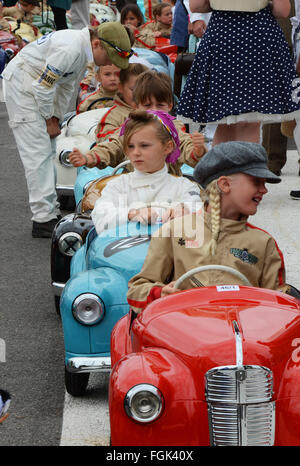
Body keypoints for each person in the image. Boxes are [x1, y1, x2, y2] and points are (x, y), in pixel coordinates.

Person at [2, 22, 133, 238]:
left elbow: (66, 86)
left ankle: (50, 209)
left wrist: (57, 117)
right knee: (37, 153)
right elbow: (43, 86)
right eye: (109, 58)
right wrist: (48, 119)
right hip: (22, 85)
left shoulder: (83, 50)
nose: (110, 63)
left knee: (50, 150)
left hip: (37, 85)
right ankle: (43, 218)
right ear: (97, 43)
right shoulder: (70, 48)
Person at [126, 141, 289, 313]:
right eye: (256, 182)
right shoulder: (174, 231)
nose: (264, 190)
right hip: (186, 332)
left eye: (264, 183)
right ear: (225, 184)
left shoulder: (263, 242)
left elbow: (277, 305)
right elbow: (137, 290)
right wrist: (161, 294)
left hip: (242, 334)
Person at [177, 0, 300, 146]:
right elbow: (282, 10)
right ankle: (244, 167)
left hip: (222, 35)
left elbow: (197, 6)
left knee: (223, 119)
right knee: (251, 119)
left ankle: (222, 167)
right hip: (259, 35)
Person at [69, 69, 207, 174]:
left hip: (167, 184)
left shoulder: (173, 127)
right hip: (133, 185)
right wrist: (89, 158)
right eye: (147, 106)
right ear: (136, 106)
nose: (154, 111)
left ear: (170, 105)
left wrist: (197, 151)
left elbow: (185, 144)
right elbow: (112, 146)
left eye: (160, 106)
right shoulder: (130, 127)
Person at [91, 109, 202, 235]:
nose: (136, 152)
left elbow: (198, 211)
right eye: (131, 146)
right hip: (125, 252)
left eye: (144, 145)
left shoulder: (184, 186)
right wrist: (132, 214)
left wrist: (184, 210)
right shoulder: (117, 185)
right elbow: (100, 217)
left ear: (168, 147)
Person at [94, 62, 148, 141]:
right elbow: (105, 139)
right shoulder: (113, 117)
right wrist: (132, 128)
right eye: (133, 89)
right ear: (121, 87)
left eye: (145, 89)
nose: (139, 94)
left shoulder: (157, 109)